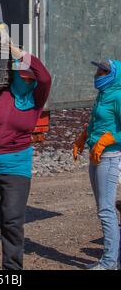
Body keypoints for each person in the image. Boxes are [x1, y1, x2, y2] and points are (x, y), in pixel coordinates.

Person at [0, 48, 51, 270]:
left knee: (12, 221)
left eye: (30, 78)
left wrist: (20, 53)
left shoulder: (36, 98)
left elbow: (45, 76)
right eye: (22, 76)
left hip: (16, 164)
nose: (27, 80)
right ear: (15, 75)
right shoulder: (2, 93)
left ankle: (12, 270)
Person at [73, 60, 121, 271]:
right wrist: (82, 138)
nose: (97, 74)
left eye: (102, 71)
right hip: (95, 157)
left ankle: (110, 261)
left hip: (109, 158)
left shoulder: (118, 95)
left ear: (112, 75)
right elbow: (95, 121)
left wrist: (108, 139)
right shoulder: (103, 95)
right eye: (97, 70)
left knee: (106, 210)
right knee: (103, 208)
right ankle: (111, 259)